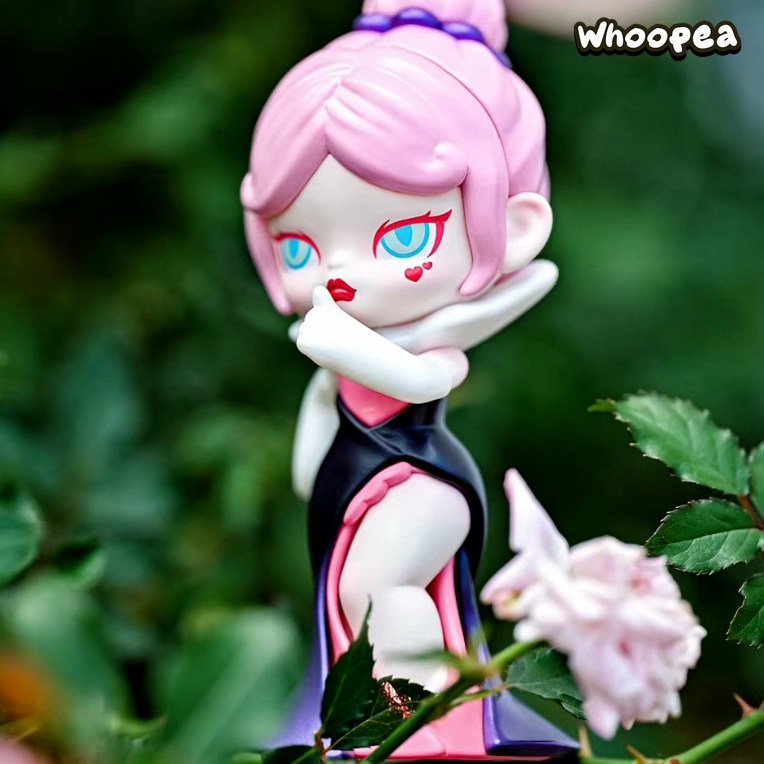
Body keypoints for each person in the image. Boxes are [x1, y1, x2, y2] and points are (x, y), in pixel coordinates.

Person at [241, 0, 577, 758]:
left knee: (376, 588)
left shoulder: (427, 344)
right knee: (354, 603)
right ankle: (381, 728)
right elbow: (319, 427)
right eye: (299, 248)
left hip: (421, 481)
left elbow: (423, 381)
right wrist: (314, 445)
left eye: (402, 236)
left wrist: (338, 348)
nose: (337, 272)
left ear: (514, 226)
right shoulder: (337, 347)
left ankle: (420, 725)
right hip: (350, 491)